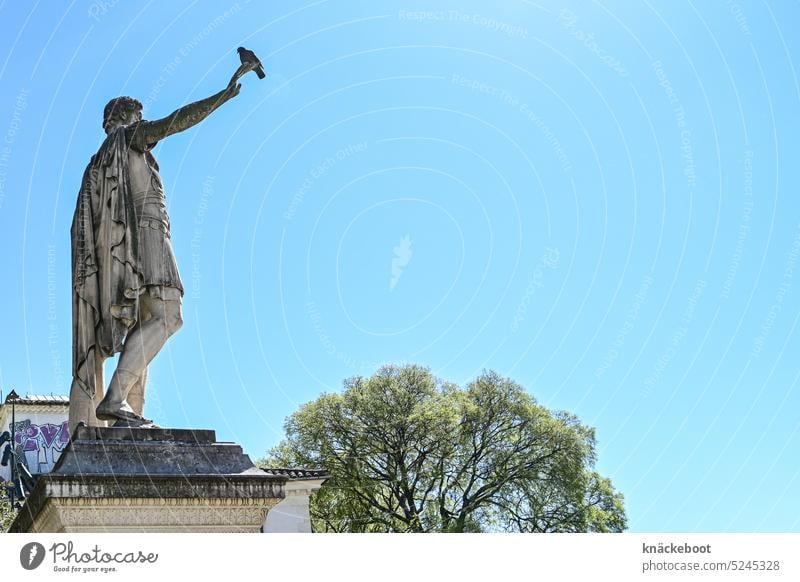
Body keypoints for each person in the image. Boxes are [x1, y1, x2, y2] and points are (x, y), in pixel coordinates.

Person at [70, 64, 253, 431]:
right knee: (170, 315)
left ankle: (127, 413)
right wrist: (223, 94)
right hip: (146, 239)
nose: (144, 122)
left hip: (119, 253)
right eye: (139, 116)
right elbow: (174, 122)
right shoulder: (126, 140)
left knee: (145, 322)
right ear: (126, 118)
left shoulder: (95, 165)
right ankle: (116, 398)